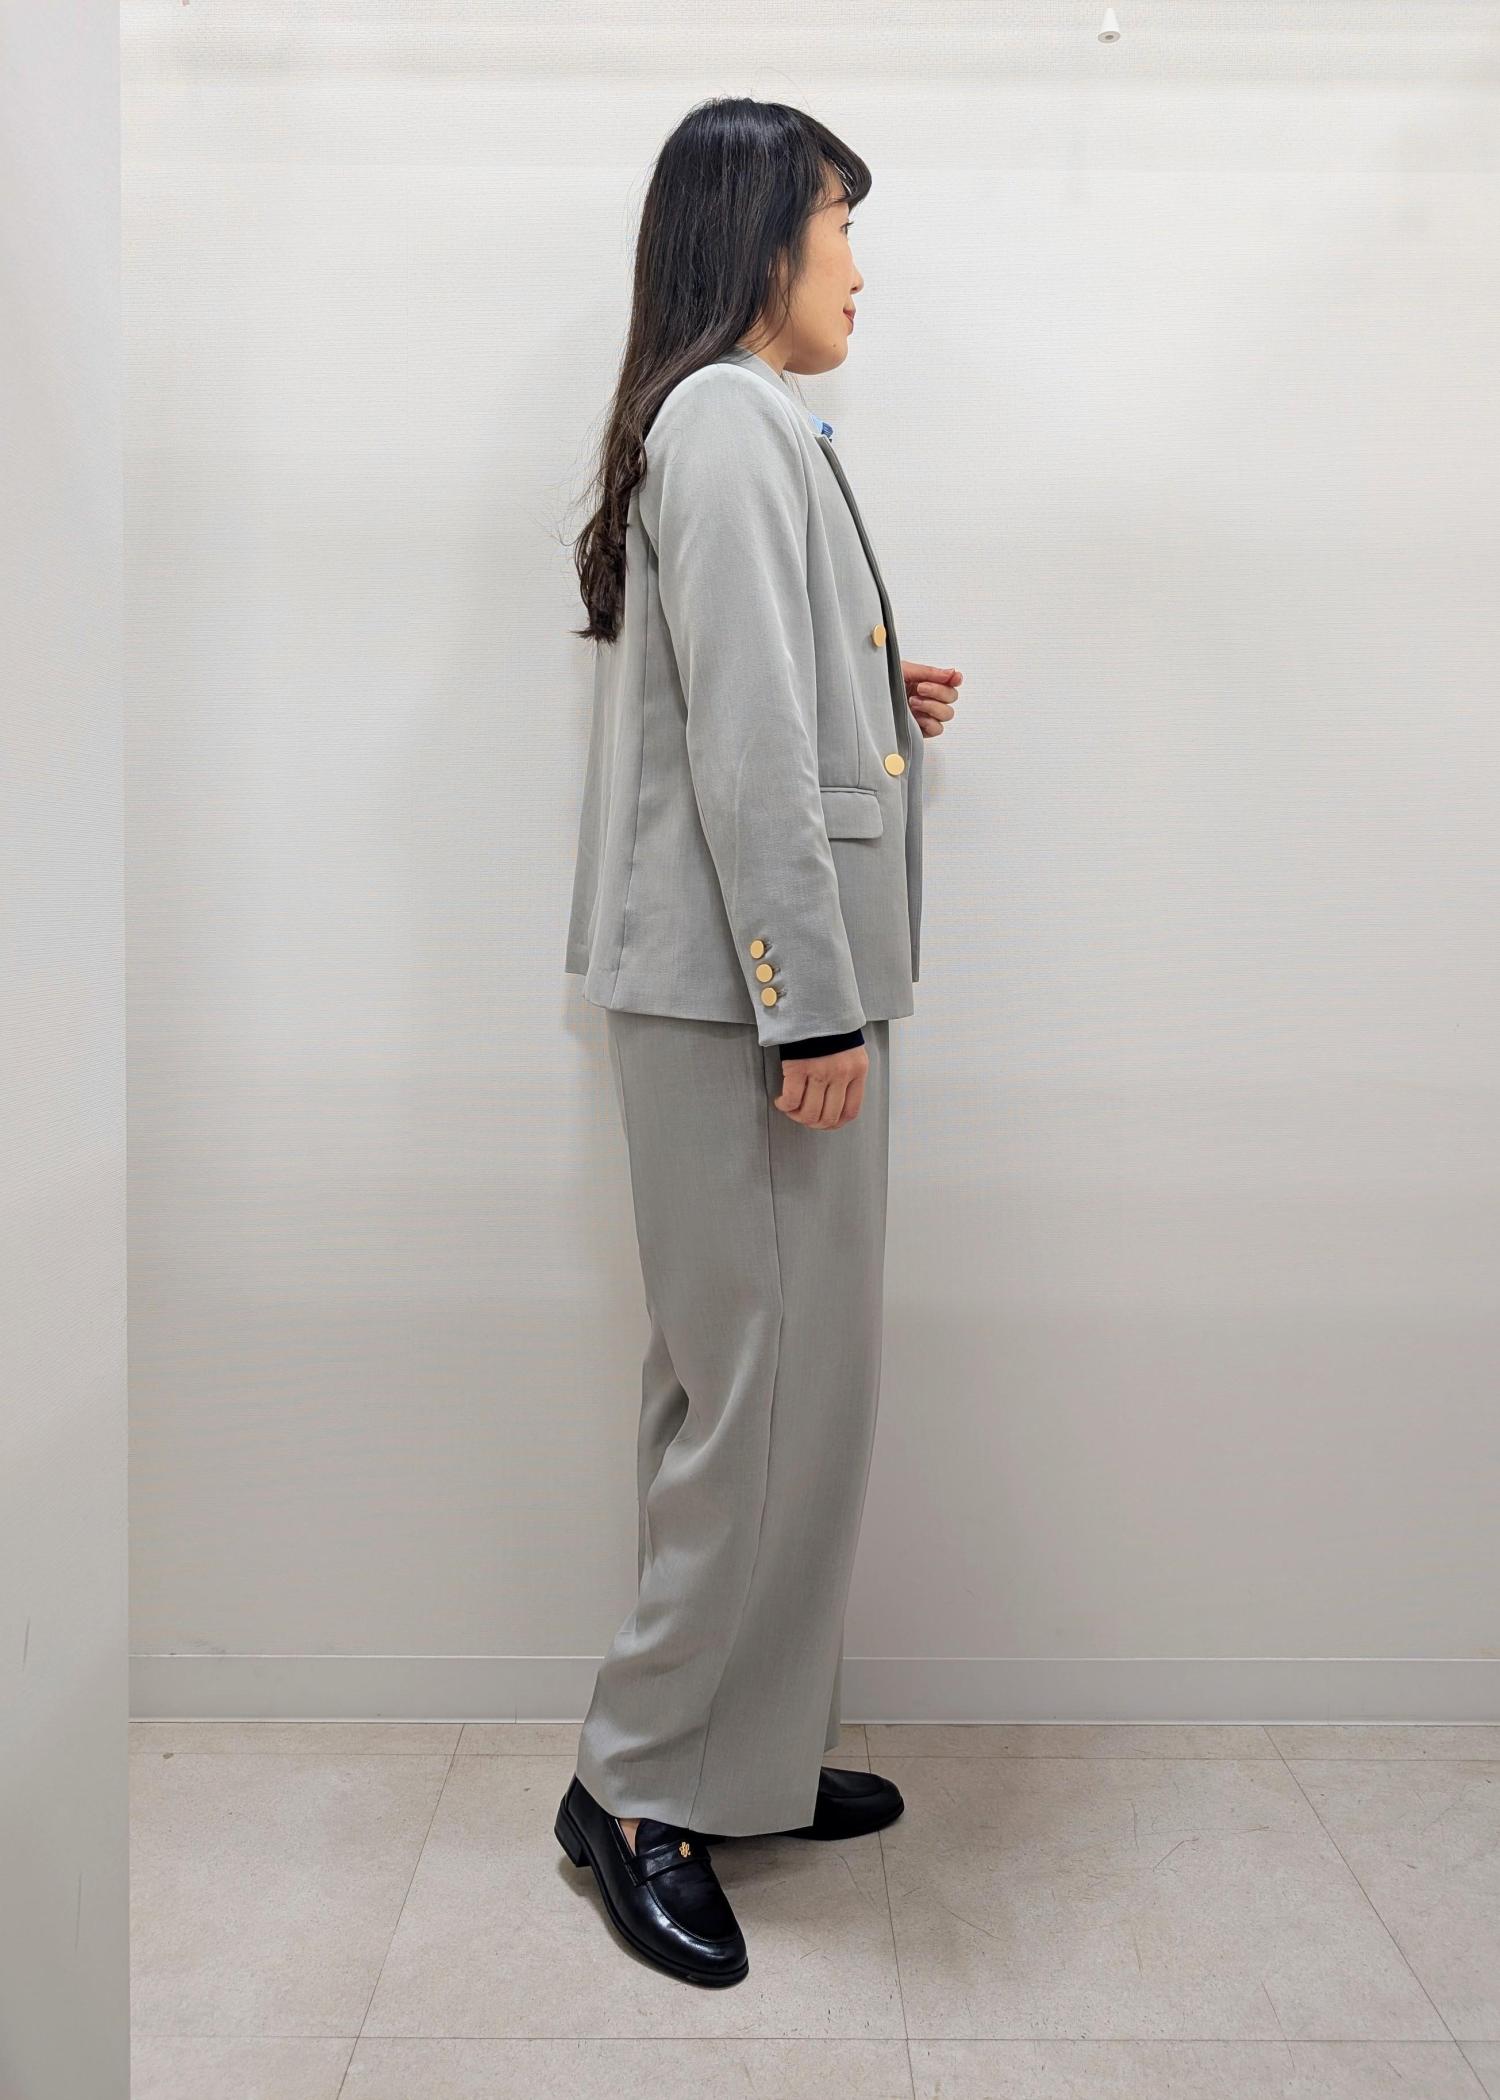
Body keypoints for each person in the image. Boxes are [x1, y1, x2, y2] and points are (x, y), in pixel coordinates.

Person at [558, 95, 961, 1989]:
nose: (859, 269)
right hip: (749, 1001)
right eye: (838, 225)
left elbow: (764, 699)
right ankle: (637, 1788)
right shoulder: (726, 421)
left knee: (778, 1391)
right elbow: (738, 749)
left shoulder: (744, 425)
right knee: (757, 1399)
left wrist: (883, 693)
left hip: (747, 991)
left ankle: (741, 1757)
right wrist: (813, 1002)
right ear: (758, 240)